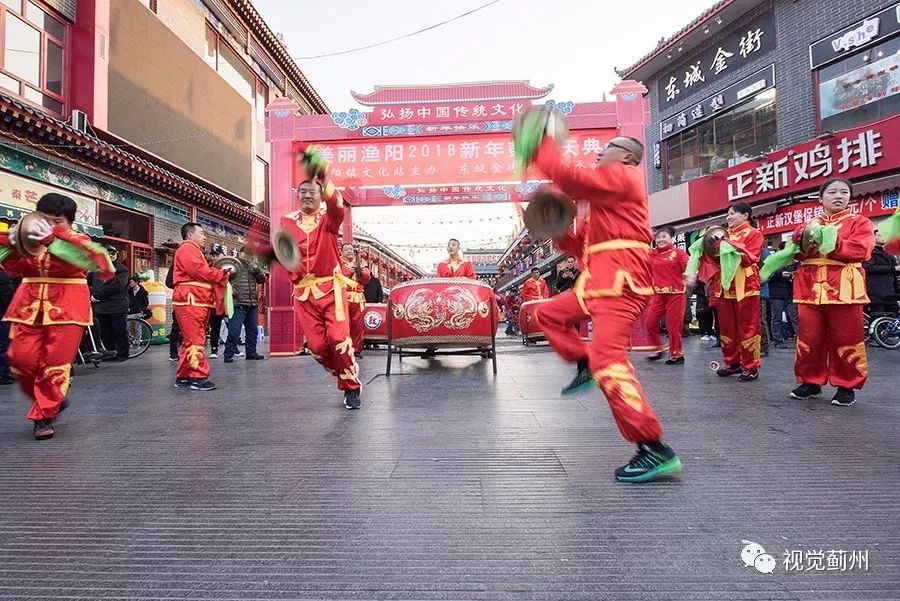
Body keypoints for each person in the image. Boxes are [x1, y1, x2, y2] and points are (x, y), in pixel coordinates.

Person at [525, 129, 681, 483]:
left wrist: (541, 148)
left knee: (610, 360)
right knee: (546, 313)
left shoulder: (622, 175)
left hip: (621, 280)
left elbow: (574, 180)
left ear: (627, 156)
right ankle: (583, 363)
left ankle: (652, 446)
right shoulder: (602, 200)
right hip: (599, 281)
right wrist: (556, 227)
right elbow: (580, 248)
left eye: (609, 147)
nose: (600, 152)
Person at [1, 193, 114, 439]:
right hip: (28, 306)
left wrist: (55, 240)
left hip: (68, 308)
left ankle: (44, 414)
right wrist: (13, 243)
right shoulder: (31, 239)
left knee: (55, 365)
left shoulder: (79, 240)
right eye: (45, 219)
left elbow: (101, 263)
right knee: (19, 359)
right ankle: (50, 399)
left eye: (57, 221)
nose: (50, 225)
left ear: (69, 222)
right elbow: (12, 268)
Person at [253, 154, 361, 409]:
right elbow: (285, 251)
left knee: (338, 339)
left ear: (320, 194)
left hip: (330, 291)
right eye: (302, 192)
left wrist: (324, 176)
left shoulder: (328, 220)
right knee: (316, 346)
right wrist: (266, 253)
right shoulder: (288, 221)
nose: (306, 196)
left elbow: (337, 207)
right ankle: (345, 372)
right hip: (304, 295)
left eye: (312, 192)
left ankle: (351, 387)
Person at [788, 178, 875, 406]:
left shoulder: (860, 222)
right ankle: (810, 381)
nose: (839, 196)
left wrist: (832, 241)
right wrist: (799, 240)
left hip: (844, 288)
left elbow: (862, 250)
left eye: (844, 192)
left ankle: (847, 386)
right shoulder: (808, 224)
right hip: (809, 287)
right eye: (832, 192)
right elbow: (795, 250)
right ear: (821, 198)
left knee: (846, 337)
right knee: (809, 337)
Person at [702, 202, 764, 381]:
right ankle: (733, 362)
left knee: (748, 326)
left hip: (746, 285)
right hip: (724, 285)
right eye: (727, 215)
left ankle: (751, 367)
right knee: (727, 328)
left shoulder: (754, 234)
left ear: (746, 215)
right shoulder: (722, 235)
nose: (728, 218)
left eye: (733, 214)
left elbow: (750, 258)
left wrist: (728, 244)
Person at [172, 222, 232, 391]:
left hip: (195, 300)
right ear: (190, 235)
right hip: (191, 300)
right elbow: (199, 271)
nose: (204, 236)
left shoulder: (192, 250)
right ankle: (197, 376)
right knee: (195, 338)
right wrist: (220, 274)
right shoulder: (187, 249)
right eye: (201, 233)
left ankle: (184, 375)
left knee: (190, 339)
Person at [645, 226, 689, 364]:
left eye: (664, 236)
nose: (660, 239)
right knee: (650, 322)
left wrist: (690, 278)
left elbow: (689, 269)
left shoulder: (679, 254)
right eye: (658, 237)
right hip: (658, 294)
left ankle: (677, 354)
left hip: (676, 294)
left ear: (671, 238)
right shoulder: (651, 254)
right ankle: (658, 348)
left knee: (673, 326)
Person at [224, 246, 267, 363]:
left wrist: (256, 269)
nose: (248, 257)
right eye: (246, 254)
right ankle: (228, 354)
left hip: (252, 304)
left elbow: (262, 280)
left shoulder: (253, 267)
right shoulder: (233, 265)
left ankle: (251, 353)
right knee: (234, 330)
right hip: (238, 304)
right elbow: (224, 278)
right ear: (240, 253)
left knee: (252, 331)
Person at [91, 245, 130, 362]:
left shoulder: (121, 269)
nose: (111, 256)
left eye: (113, 254)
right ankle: (111, 353)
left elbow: (117, 286)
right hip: (101, 307)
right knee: (105, 332)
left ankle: (123, 354)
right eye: (108, 253)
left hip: (117, 306)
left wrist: (96, 296)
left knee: (120, 331)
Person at [340, 243, 371, 358]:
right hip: (343, 296)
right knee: (343, 324)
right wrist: (350, 272)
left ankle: (356, 349)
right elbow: (337, 276)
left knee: (357, 325)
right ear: (341, 251)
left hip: (358, 297)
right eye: (346, 249)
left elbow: (366, 279)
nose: (349, 251)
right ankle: (343, 349)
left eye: (351, 249)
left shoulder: (359, 263)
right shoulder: (338, 263)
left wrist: (362, 271)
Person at [767, 248, 799, 347]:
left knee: (795, 317)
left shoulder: (790, 263)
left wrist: (792, 275)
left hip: (788, 294)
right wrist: (780, 274)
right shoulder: (772, 263)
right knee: (777, 317)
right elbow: (768, 276)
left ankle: (800, 338)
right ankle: (777, 340)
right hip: (776, 294)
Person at [863, 229, 899, 315]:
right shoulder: (870, 252)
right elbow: (868, 267)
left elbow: (894, 272)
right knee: (879, 322)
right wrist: (893, 268)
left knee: (891, 322)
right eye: (880, 235)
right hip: (876, 295)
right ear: (873, 237)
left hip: (891, 295)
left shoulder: (889, 253)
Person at [207, 246, 226, 359]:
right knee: (215, 327)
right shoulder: (208, 269)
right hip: (213, 303)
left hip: (226, 303)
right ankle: (214, 349)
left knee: (232, 325)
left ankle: (233, 349)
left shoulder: (228, 270)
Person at [0, 269, 19, 384]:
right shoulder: (2, 274)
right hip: (3, 314)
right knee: (4, 344)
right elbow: (7, 295)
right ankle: (4, 373)